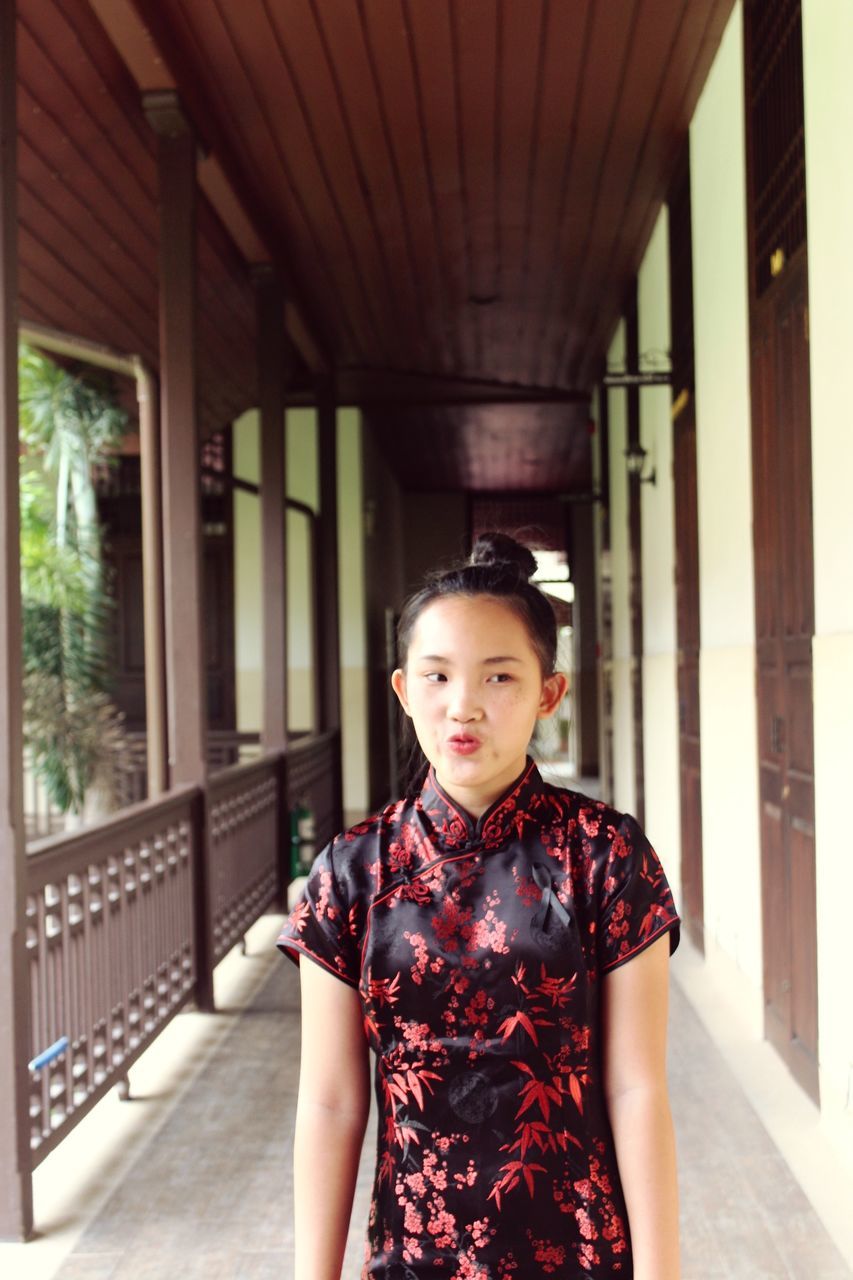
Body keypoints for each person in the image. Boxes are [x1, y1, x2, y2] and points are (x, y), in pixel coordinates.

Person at [278, 532, 681, 1280]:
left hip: (580, 1250)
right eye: (436, 676)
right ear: (403, 690)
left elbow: (635, 1087)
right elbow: (332, 1103)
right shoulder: (351, 873)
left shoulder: (603, 856)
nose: (462, 706)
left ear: (547, 693)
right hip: (414, 1251)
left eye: (499, 678)